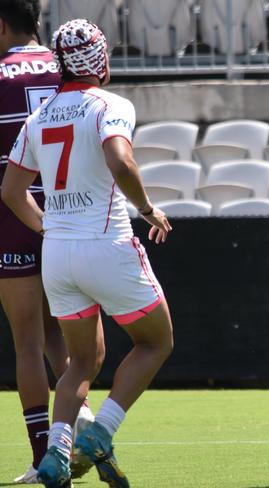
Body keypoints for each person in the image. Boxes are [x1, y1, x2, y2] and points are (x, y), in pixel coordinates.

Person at [2, 18, 174, 488]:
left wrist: (48, 227)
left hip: (57, 254)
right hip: (107, 245)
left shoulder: (39, 118)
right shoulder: (109, 104)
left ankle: (55, 456)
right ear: (99, 60)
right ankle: (100, 432)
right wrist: (148, 208)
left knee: (80, 361)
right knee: (156, 341)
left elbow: (12, 190)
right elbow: (120, 159)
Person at [0, 1, 96, 483]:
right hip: (69, 209)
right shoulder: (66, 66)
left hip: (15, 215)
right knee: (65, 339)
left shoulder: (0, 74)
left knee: (28, 341)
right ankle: (90, 427)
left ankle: (45, 459)